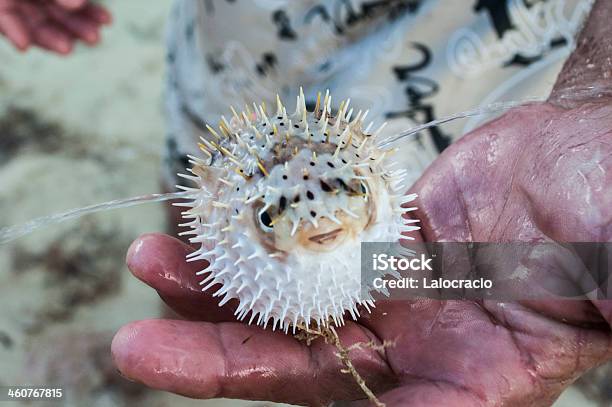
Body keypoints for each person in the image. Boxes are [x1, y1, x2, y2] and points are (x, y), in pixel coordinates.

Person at [2, 0, 611, 405]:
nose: (320, 223)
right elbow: (213, 207)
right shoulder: (224, 216)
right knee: (191, 191)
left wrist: (597, 92)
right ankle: (185, 315)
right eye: (278, 219)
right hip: (249, 26)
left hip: (490, 38)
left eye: (340, 200)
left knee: (460, 203)